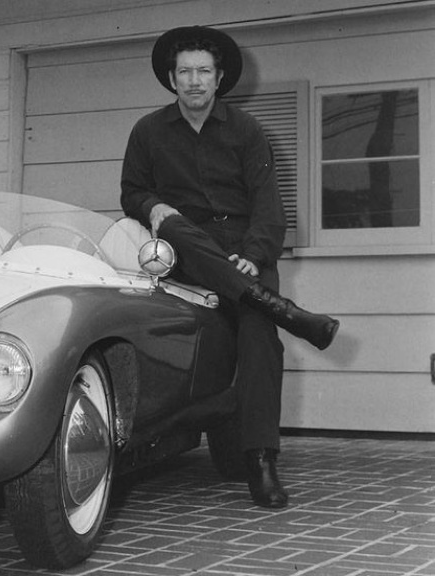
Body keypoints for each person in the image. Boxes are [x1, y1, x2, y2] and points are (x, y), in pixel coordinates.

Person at [120, 26, 339, 508]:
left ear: (219, 78)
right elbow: (132, 191)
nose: (194, 80)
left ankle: (261, 460)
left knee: (260, 338)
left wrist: (255, 255)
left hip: (244, 251)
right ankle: (287, 311)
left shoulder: (247, 130)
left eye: (203, 71)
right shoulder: (148, 132)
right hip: (183, 255)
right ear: (171, 79)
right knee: (174, 224)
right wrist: (152, 207)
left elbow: (268, 205)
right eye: (185, 72)